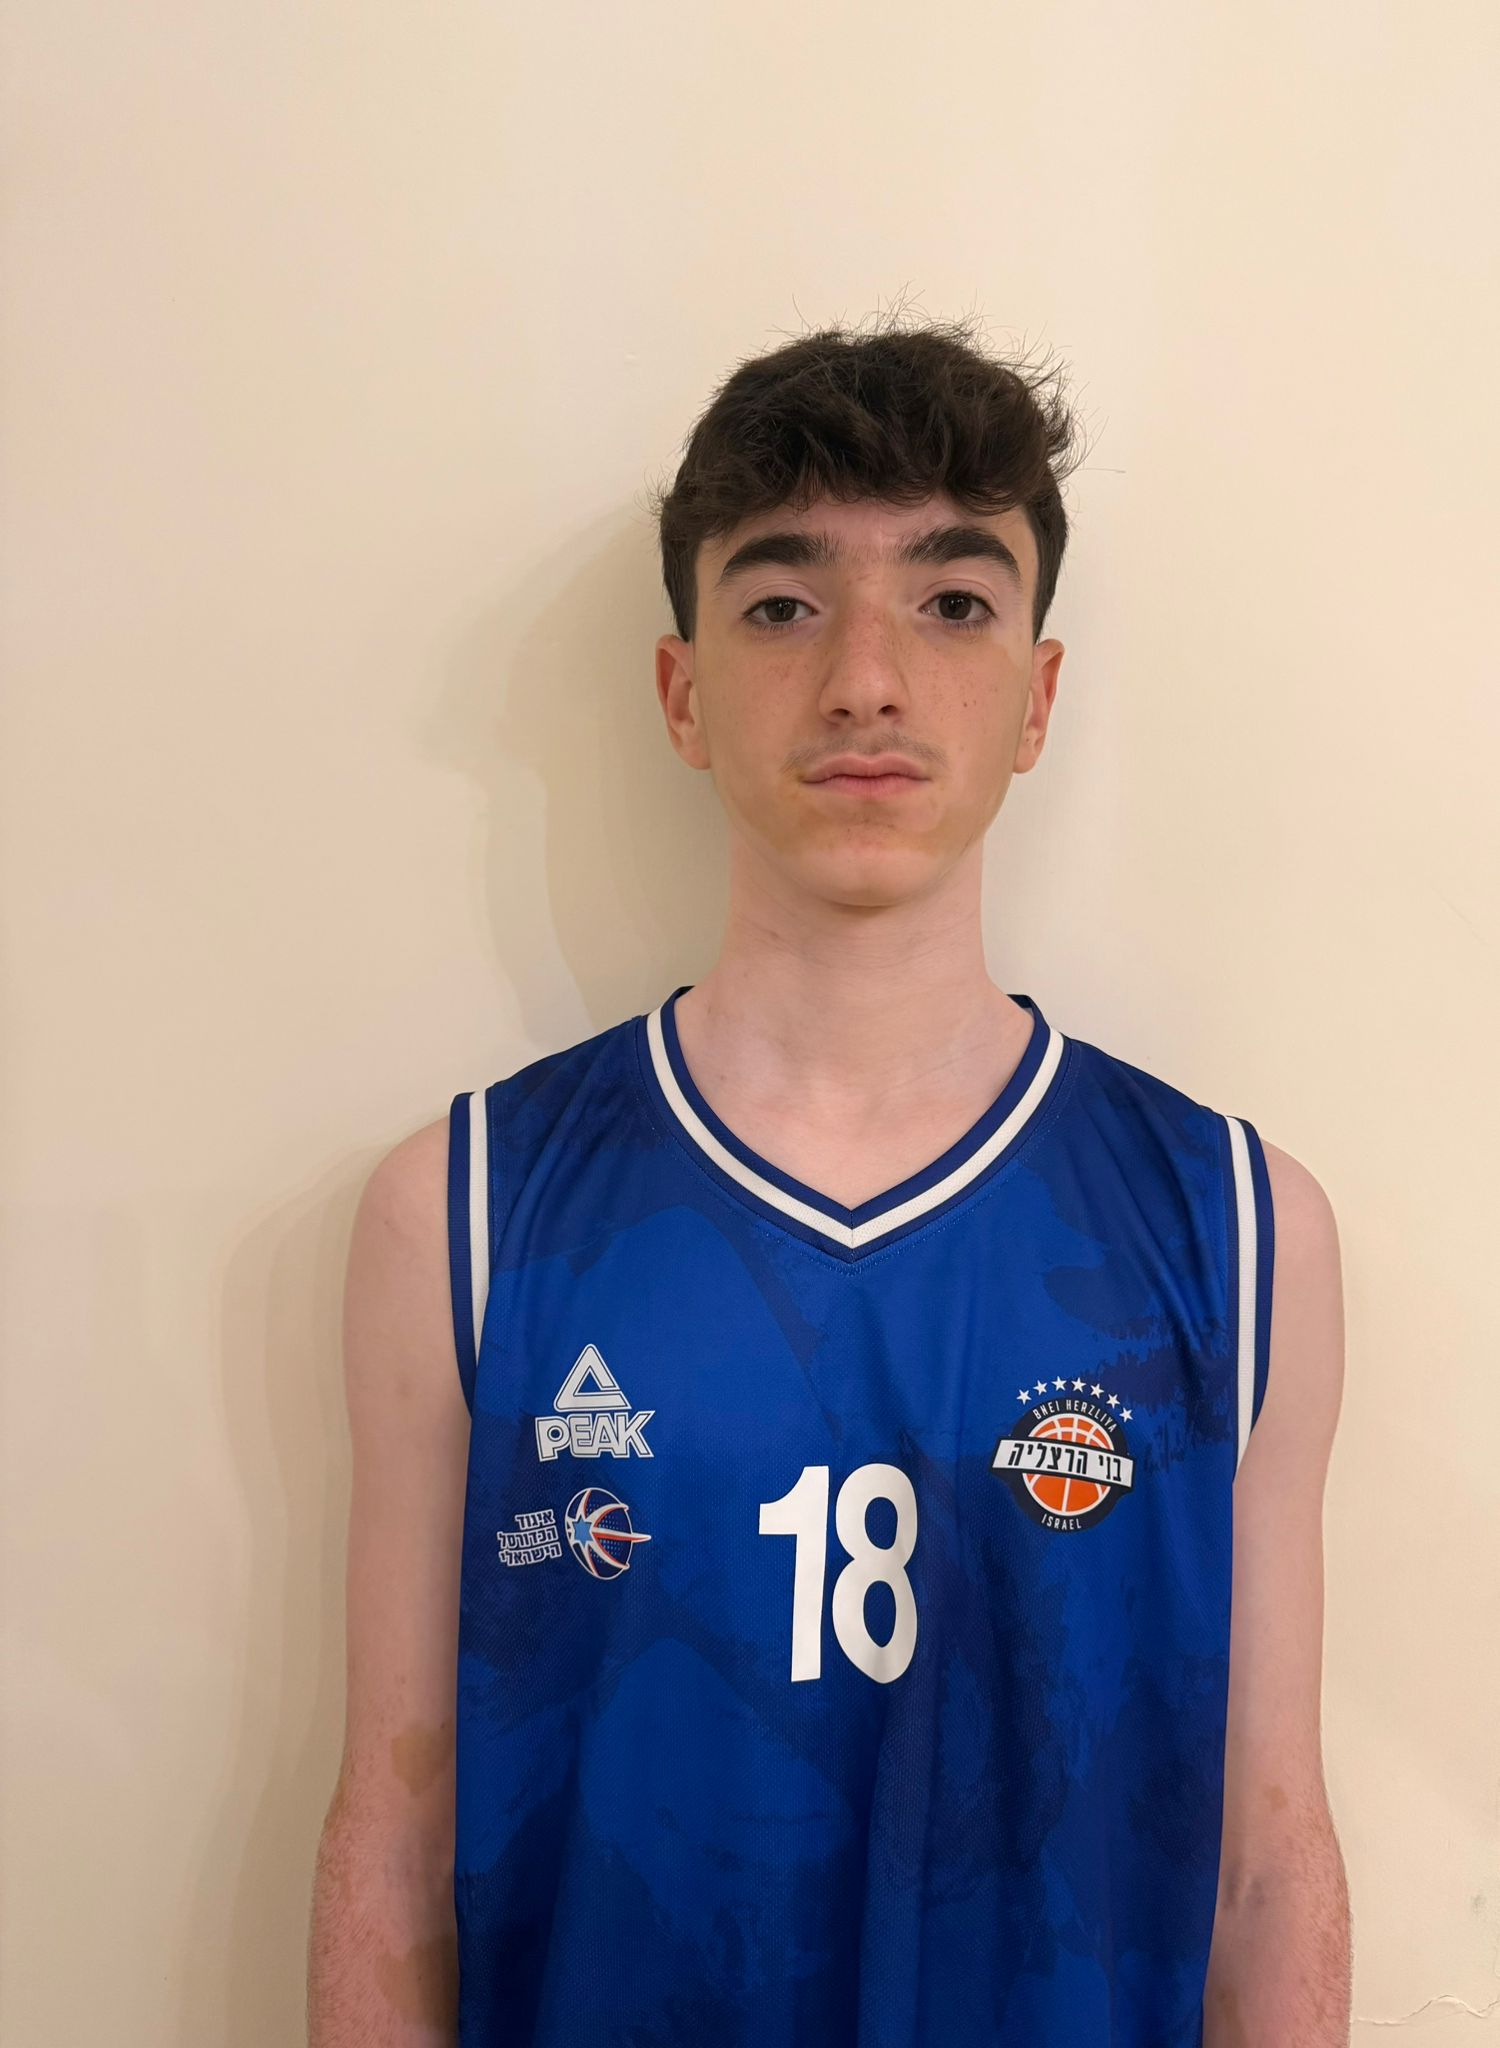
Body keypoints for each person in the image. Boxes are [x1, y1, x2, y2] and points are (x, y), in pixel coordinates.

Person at [308, 314, 1351, 2046]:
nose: (867, 677)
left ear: (1038, 696)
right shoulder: (463, 1213)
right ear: (681, 691)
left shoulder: (1242, 1227)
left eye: (952, 602)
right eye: (785, 604)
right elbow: (397, 1848)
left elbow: (1266, 1872)